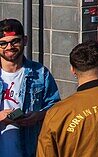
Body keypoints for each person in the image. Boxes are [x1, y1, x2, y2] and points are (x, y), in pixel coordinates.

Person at [0, 18, 60, 157]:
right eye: (3, 43)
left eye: (15, 41)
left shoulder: (40, 72)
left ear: (25, 40)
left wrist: (38, 115)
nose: (9, 47)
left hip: (30, 148)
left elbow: (55, 108)